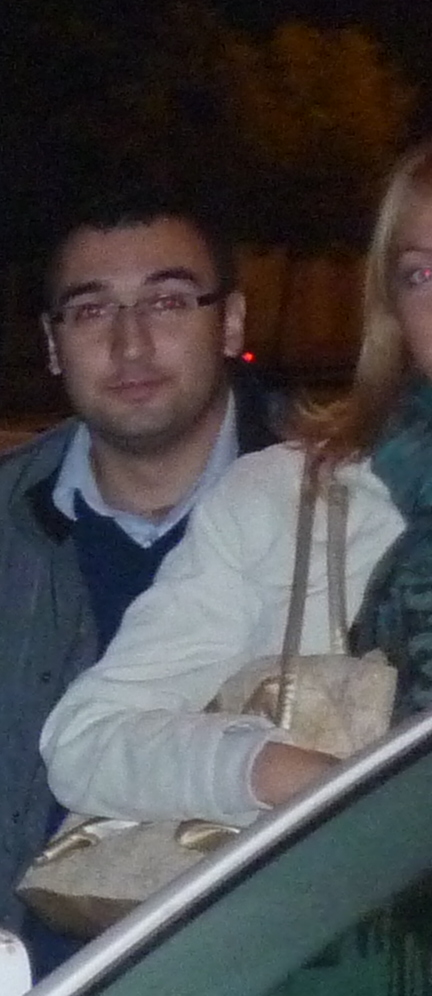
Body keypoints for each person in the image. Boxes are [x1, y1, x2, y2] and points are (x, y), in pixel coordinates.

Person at [0, 194, 271, 959]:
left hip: (264, 988)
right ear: (53, 344)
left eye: (166, 301)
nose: (131, 344)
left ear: (229, 322)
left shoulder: (335, 508)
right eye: (92, 311)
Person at [45, 142, 432, 826]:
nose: (131, 344)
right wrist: (282, 775)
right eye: (421, 274)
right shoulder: (294, 498)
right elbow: (87, 740)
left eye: (166, 302)